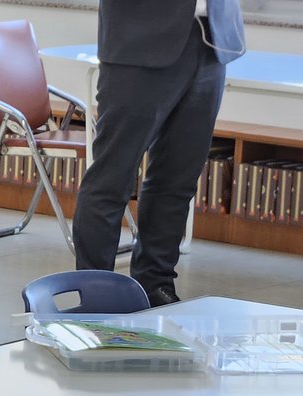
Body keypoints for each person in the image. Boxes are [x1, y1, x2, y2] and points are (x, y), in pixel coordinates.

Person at [72, 0, 244, 306]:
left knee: (177, 180)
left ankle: (155, 285)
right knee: (112, 179)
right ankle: (95, 293)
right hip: (139, 41)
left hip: (211, 41)